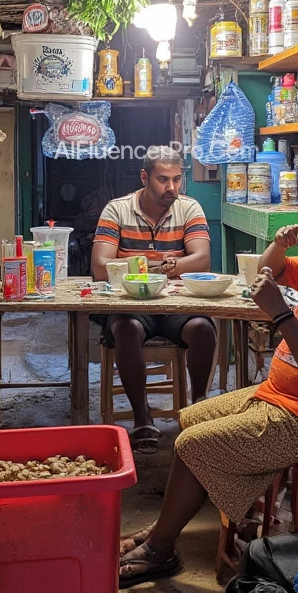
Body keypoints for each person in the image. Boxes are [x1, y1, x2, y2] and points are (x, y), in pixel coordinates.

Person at [119, 191, 298, 585]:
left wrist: (281, 314)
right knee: (189, 420)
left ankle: (161, 547)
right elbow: (267, 273)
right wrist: (277, 247)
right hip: (284, 399)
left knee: (193, 444)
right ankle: (174, 526)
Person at [91, 146, 217, 453]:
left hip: (176, 303)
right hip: (131, 302)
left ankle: (197, 405)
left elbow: (202, 261)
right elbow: (99, 267)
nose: (171, 188)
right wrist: (166, 262)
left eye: (177, 179)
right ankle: (142, 416)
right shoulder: (117, 210)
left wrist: (156, 265)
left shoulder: (189, 208)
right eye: (163, 179)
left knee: (202, 328)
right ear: (145, 177)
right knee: (126, 329)